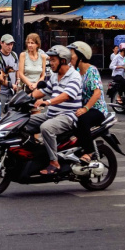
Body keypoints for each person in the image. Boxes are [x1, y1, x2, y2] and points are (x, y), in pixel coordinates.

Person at [27, 45, 83, 176]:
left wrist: (48, 102)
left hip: (68, 116)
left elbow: (67, 95)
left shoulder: (74, 76)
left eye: (53, 60)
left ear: (63, 61)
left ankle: (54, 163)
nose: (50, 63)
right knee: (24, 122)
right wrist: (23, 98)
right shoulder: (54, 76)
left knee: (46, 128)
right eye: (49, 60)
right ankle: (36, 155)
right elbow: (43, 91)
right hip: (52, 114)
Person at [69, 41, 111, 163]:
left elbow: (97, 93)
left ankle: (89, 152)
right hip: (82, 107)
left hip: (96, 109)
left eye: (72, 54)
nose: (70, 57)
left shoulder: (92, 71)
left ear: (80, 57)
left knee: (82, 120)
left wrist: (85, 109)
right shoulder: (75, 72)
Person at [0, 34, 18, 104]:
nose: (10, 47)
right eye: (7, 44)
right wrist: (11, 85)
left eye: (11, 44)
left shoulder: (14, 55)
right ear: (1, 43)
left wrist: (18, 80)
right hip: (1, 92)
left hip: (13, 91)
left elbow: (17, 70)